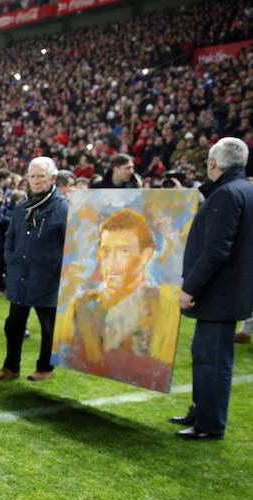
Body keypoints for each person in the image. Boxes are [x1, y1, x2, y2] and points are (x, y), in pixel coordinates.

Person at [171, 137, 253, 439]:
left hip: (219, 294)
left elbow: (216, 249)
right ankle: (201, 410)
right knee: (205, 355)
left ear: (214, 162)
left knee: (212, 360)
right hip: (229, 291)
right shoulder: (243, 190)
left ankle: (210, 423)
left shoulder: (228, 194)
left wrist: (190, 288)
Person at [57, 208, 180, 391]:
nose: (112, 261)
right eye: (106, 250)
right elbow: (70, 355)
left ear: (146, 254)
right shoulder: (81, 305)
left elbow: (158, 368)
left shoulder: (163, 305)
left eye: (124, 251)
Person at [0, 156, 69, 382]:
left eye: (40, 176)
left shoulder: (62, 207)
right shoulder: (22, 206)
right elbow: (10, 236)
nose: (35, 181)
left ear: (53, 178)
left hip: (48, 279)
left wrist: (56, 268)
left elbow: (70, 244)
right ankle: (10, 367)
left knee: (49, 328)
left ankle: (45, 367)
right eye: (32, 176)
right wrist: (11, 260)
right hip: (21, 276)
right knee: (13, 325)